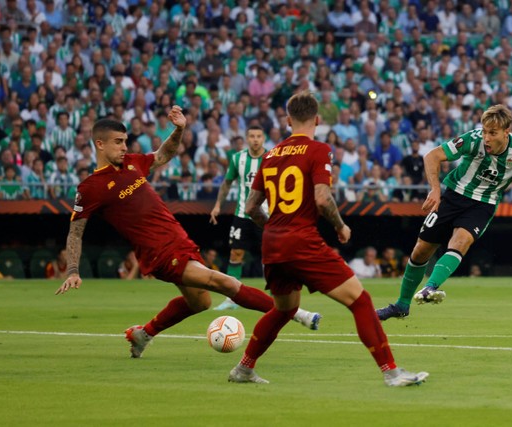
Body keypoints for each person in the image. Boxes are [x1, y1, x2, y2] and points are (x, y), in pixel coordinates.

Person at [55, 106, 321, 360]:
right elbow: (75, 232)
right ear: (100, 144)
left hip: (179, 241)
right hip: (158, 253)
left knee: (201, 303)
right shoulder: (91, 187)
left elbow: (163, 155)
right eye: (118, 142)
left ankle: (142, 334)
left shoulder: (133, 163)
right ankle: (296, 313)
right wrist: (73, 271)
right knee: (225, 283)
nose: (124, 147)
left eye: (125, 141)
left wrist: (179, 129)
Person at [228, 91, 428, 387]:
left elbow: (250, 208)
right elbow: (322, 200)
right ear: (317, 120)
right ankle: (391, 372)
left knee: (284, 309)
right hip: (302, 241)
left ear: (287, 120)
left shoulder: (269, 155)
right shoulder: (318, 150)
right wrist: (340, 226)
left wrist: (275, 227)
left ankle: (243, 369)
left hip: (272, 243)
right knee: (360, 301)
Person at [377, 105, 512, 320]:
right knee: (421, 250)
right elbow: (432, 156)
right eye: (485, 131)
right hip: (452, 196)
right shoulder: (473, 139)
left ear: (507, 132)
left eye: (492, 133)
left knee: (460, 241)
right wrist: (435, 190)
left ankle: (430, 287)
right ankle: (402, 305)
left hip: (483, 204)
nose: (486, 138)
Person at [209, 125, 281, 313]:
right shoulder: (237, 158)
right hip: (242, 215)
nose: (255, 139)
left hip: (265, 216)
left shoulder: (272, 158)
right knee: (236, 254)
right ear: (247, 138)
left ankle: (277, 296)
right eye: (252, 136)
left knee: (270, 256)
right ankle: (231, 298)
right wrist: (217, 205)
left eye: (259, 136)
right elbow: (227, 183)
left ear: (263, 138)